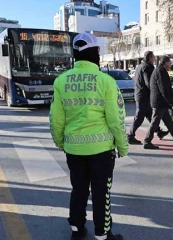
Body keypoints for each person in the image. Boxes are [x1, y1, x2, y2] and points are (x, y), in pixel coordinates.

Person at [49, 33, 128, 240]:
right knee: (102, 192)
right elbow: (116, 119)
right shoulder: (106, 81)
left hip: (73, 149)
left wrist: (60, 141)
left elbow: (56, 118)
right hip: (101, 150)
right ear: (96, 53)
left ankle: (76, 229)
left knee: (79, 190)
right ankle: (103, 234)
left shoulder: (61, 81)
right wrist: (123, 146)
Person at [144, 56, 173, 149]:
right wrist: (172, 102)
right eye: (169, 64)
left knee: (168, 122)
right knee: (155, 122)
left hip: (161, 102)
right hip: (159, 102)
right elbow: (164, 89)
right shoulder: (161, 72)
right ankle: (147, 141)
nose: (170, 66)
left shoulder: (159, 70)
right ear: (166, 63)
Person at [127, 51, 169, 145]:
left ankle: (158, 131)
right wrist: (156, 91)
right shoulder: (147, 67)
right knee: (139, 117)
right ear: (150, 58)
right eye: (153, 57)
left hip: (140, 94)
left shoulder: (140, 66)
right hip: (144, 96)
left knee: (150, 115)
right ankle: (130, 136)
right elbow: (149, 82)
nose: (154, 59)